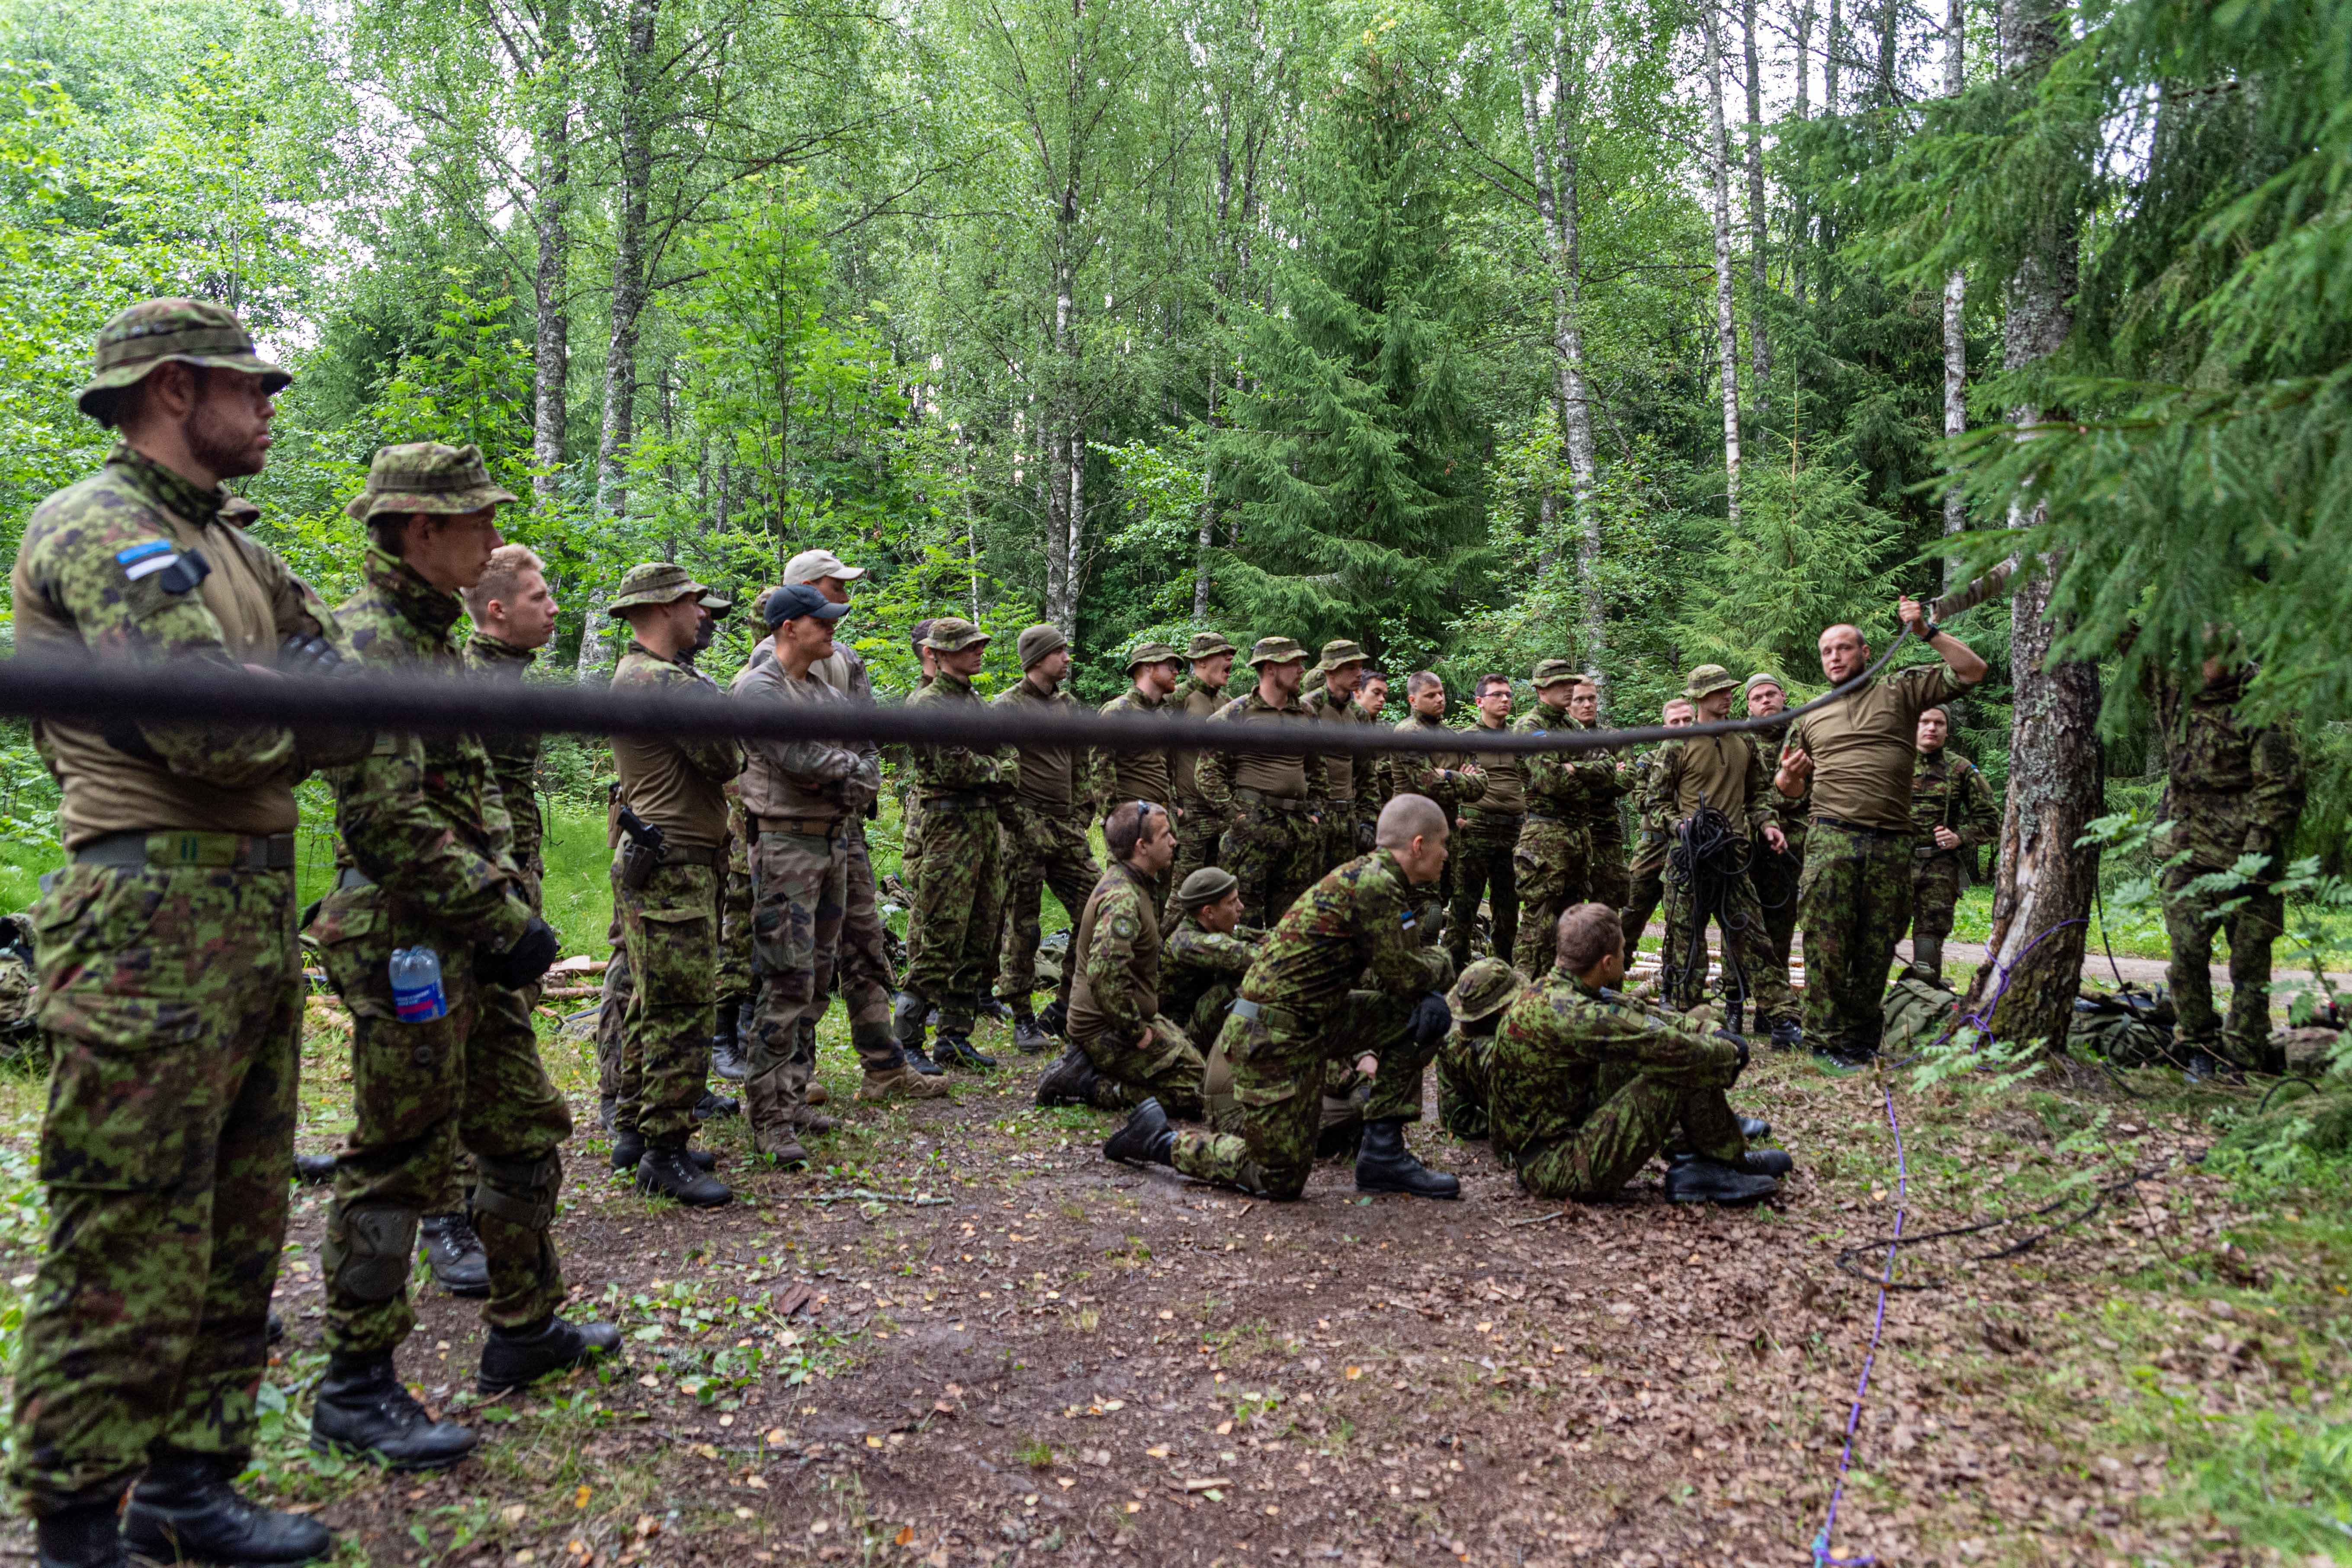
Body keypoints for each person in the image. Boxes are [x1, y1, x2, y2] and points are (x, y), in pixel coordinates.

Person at [6, 299, 357, 1566]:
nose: (267, 408)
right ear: (171, 388)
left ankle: (187, 1482)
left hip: (251, 905)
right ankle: (75, 1519)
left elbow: (351, 697)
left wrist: (282, 699)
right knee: (131, 1217)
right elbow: (210, 734)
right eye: (247, 387)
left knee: (242, 1215)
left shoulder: (239, 553)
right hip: (148, 907)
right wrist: (283, 705)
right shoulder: (99, 523)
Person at [310, 443, 613, 1472]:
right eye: (476, 523)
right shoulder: (368, 647)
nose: (492, 542)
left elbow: (471, 796)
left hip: (470, 937)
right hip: (407, 939)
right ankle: (355, 1381)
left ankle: (524, 1329)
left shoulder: (433, 642)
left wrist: (507, 912)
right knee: (399, 1159)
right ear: (421, 530)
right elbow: (389, 819)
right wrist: (503, 914)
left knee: (524, 1126)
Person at [1102, 793, 1462, 1201]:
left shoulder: (1376, 880)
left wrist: (1425, 989)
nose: (1446, 853)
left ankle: (1383, 1152)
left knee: (1413, 1013)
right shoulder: (1375, 885)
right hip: (1272, 1035)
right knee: (1278, 1177)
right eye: (1443, 843)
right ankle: (1161, 1141)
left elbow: (1404, 976)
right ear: (1418, 845)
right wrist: (1442, 962)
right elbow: (1407, 971)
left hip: (1311, 1021)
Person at [409, 545, 560, 1302]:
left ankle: (477, 1202)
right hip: (465, 889)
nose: (555, 608)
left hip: (509, 881)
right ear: (496, 612)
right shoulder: (460, 681)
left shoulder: (506, 677)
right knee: (450, 1056)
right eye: (539, 597)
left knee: (501, 1047)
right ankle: (441, 1215)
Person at [1774, 600, 1989, 1065]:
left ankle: (1859, 1037)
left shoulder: (1901, 691)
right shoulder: (1810, 715)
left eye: (1844, 648)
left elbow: (1972, 672)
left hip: (1893, 841)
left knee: (1878, 943)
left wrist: (1926, 631)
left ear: (1866, 652)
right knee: (1826, 944)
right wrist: (1790, 777)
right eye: (1826, 650)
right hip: (1831, 837)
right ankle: (1821, 1042)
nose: (1834, 657)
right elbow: (1788, 789)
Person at [780, 552, 952, 1095]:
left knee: (866, 941)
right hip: (794, 830)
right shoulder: (770, 662)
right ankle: (796, 1074)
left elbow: (867, 738)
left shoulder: (846, 658)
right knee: (800, 951)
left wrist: (856, 787)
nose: (846, 597)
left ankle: (884, 1066)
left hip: (846, 824)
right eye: (837, 587)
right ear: (806, 590)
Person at [603, 562, 746, 1203]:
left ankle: (635, 1130)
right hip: (676, 864)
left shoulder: (631, 675)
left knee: (646, 999)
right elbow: (727, 758)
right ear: (664, 608)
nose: (705, 616)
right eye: (695, 605)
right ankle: (665, 1149)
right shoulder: (667, 684)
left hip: (657, 860)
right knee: (682, 1009)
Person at [1488, 905, 1786, 1204]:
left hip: (1554, 1140)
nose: (1626, 954)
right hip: (1558, 1168)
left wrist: (1713, 1031)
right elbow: (1667, 1047)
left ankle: (1701, 1159)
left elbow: (1640, 1014)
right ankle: (1725, 1162)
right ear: (1606, 963)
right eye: (1622, 949)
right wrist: (1729, 1053)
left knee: (1696, 1030)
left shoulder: (1556, 989)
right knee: (1681, 1063)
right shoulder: (1577, 1016)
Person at [2149, 657, 2307, 1078]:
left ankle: (2244, 1054)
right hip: (2187, 857)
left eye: (2212, 653)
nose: (2202, 663)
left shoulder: (2261, 707)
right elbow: (2131, 641)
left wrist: (2253, 857)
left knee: (2250, 966)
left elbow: (2280, 787)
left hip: (2248, 862)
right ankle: (2198, 1045)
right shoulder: (2175, 695)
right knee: (2185, 956)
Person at [1648, 665, 1800, 1045]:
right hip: (1689, 858)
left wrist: (1768, 824)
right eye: (1718, 691)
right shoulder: (1677, 744)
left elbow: (1758, 794)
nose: (1727, 695)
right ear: (1698, 698)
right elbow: (1654, 801)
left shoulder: (1744, 740)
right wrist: (1678, 826)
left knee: (1753, 937)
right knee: (1685, 941)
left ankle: (1782, 1018)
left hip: (1733, 856)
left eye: (1729, 689)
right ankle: (1687, 1015)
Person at [895, 618, 1018, 1070]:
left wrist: (998, 769)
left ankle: (954, 1035)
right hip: (946, 828)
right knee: (941, 932)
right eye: (968, 647)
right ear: (939, 655)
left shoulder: (974, 702)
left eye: (980, 645)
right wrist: (998, 773)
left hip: (982, 826)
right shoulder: (927, 704)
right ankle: (907, 1040)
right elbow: (954, 767)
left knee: (980, 934)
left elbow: (1010, 754)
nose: (978, 652)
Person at [1041, 801, 1212, 1117]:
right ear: (1141, 846)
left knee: (1205, 1074)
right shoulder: (1122, 899)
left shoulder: (1136, 882)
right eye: (1164, 836)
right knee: (1197, 1093)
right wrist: (1137, 1033)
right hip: (1107, 1028)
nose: (1174, 841)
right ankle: (1089, 1084)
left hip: (1127, 1016)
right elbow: (1105, 975)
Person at [992, 625, 1103, 1049]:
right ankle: (1021, 1015)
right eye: (1059, 652)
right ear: (1037, 659)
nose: (1067, 659)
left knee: (1096, 908)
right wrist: (1022, 824)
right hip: (1024, 831)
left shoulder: (1070, 706)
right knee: (1023, 925)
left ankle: (1063, 1006)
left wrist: (1081, 816)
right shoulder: (1007, 708)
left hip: (1067, 828)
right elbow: (999, 778)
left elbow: (1081, 766)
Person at [1197, 637, 1330, 927]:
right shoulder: (1236, 714)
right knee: (1245, 919)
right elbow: (1207, 773)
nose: (1301, 669)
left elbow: (1318, 771)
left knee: (1292, 921)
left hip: (1297, 829)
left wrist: (1316, 814)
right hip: (1253, 825)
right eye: (1293, 663)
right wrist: (1236, 817)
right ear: (1270, 668)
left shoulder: (1306, 715)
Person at [1511, 659, 1617, 977]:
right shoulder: (1528, 727)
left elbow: (1609, 770)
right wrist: (1585, 780)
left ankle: (1563, 993)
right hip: (1544, 835)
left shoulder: (1572, 728)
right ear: (1541, 689)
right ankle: (1524, 996)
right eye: (1561, 684)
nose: (1570, 689)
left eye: (1572, 682)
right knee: (1538, 924)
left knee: (1570, 923)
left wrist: (1574, 768)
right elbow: (1549, 781)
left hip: (1576, 835)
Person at [1906, 706, 1999, 987]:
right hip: (1892, 863)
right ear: (1914, 725)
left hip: (1938, 866)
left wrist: (1959, 837)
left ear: (1947, 729)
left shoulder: (1961, 769)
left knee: (1929, 933)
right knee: (1878, 930)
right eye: (1924, 721)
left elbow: (1990, 820)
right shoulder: (1894, 762)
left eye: (1939, 723)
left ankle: (1921, 992)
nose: (1931, 728)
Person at [1390, 673, 1486, 933]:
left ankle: (1425, 959)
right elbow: (1430, 785)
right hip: (1414, 835)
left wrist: (1447, 774)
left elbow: (1481, 785)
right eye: (1431, 695)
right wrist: (1460, 777)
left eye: (1441, 693)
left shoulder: (1451, 736)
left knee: (1440, 900)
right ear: (1413, 700)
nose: (1440, 699)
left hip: (1446, 836)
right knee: (1419, 908)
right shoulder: (1408, 733)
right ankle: (1408, 958)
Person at [1092, 641, 1182, 906]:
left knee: (1158, 903)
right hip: (1132, 827)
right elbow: (1100, 770)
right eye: (1170, 665)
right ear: (1147, 668)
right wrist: (1113, 819)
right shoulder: (1118, 713)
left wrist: (1173, 811)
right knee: (1125, 900)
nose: (1176, 671)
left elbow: (1168, 773)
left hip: (1162, 824)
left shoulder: (1163, 719)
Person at [1448, 674, 1524, 973]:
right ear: (1479, 701)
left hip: (1515, 829)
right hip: (1476, 828)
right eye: (1497, 695)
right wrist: (1453, 819)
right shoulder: (1466, 739)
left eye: (1508, 694)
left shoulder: (1519, 738)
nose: (1505, 699)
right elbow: (1445, 778)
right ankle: (1454, 972)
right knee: (1464, 905)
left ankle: (1502, 973)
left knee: (1508, 908)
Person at [1165, 631, 1238, 922]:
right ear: (1203, 660)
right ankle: (1155, 954)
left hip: (1223, 813)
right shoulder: (1178, 698)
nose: (1231, 658)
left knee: (1218, 892)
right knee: (1183, 893)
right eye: (1224, 654)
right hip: (1189, 813)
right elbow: (1161, 753)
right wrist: (1171, 802)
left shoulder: (1230, 703)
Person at [1621, 697, 1696, 953]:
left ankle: (1673, 982)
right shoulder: (1649, 760)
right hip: (1654, 844)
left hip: (1688, 845)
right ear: (1665, 729)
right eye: (1675, 722)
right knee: (1631, 911)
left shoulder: (1704, 761)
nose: (1682, 726)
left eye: (1688, 720)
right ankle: (1613, 975)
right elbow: (1641, 801)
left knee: (1682, 919)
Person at [1156, 867, 1261, 1048]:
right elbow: (1244, 957)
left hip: (1198, 1020)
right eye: (1232, 902)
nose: (1241, 907)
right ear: (1208, 913)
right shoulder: (1186, 942)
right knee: (1234, 985)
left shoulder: (1215, 927)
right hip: (1179, 1034)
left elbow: (1260, 937)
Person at [1743, 674, 1805, 971]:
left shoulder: (1802, 734)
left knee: (1782, 919)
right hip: (1747, 841)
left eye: (1770, 694)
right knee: (1743, 919)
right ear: (1748, 705)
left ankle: (1776, 984)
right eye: (1757, 697)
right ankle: (1739, 987)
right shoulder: (1739, 739)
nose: (1765, 700)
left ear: (1783, 696)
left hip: (1791, 841)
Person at [1300, 639, 1375, 875]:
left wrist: (1369, 820)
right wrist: (1311, 813)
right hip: (1315, 815)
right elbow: (1299, 766)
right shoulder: (1307, 708)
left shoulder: (1359, 714)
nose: (1359, 674)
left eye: (1360, 667)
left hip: (1349, 817)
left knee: (1345, 890)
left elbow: (1366, 771)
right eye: (1351, 667)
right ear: (1331, 671)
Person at [1434, 957, 1526, 1141]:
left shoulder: (1449, 1046)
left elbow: (1453, 1116)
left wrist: (1485, 1123)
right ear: (1503, 1008)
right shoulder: (1510, 1052)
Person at [1565, 677, 1636, 912]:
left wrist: (1579, 772)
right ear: (1568, 704)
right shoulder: (1559, 737)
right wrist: (1606, 772)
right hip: (1569, 830)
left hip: (1606, 832)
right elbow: (1556, 781)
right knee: (1567, 905)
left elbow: (1628, 780)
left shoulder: (1612, 737)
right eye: (1580, 700)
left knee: (1608, 905)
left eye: (1592, 698)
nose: (1588, 705)